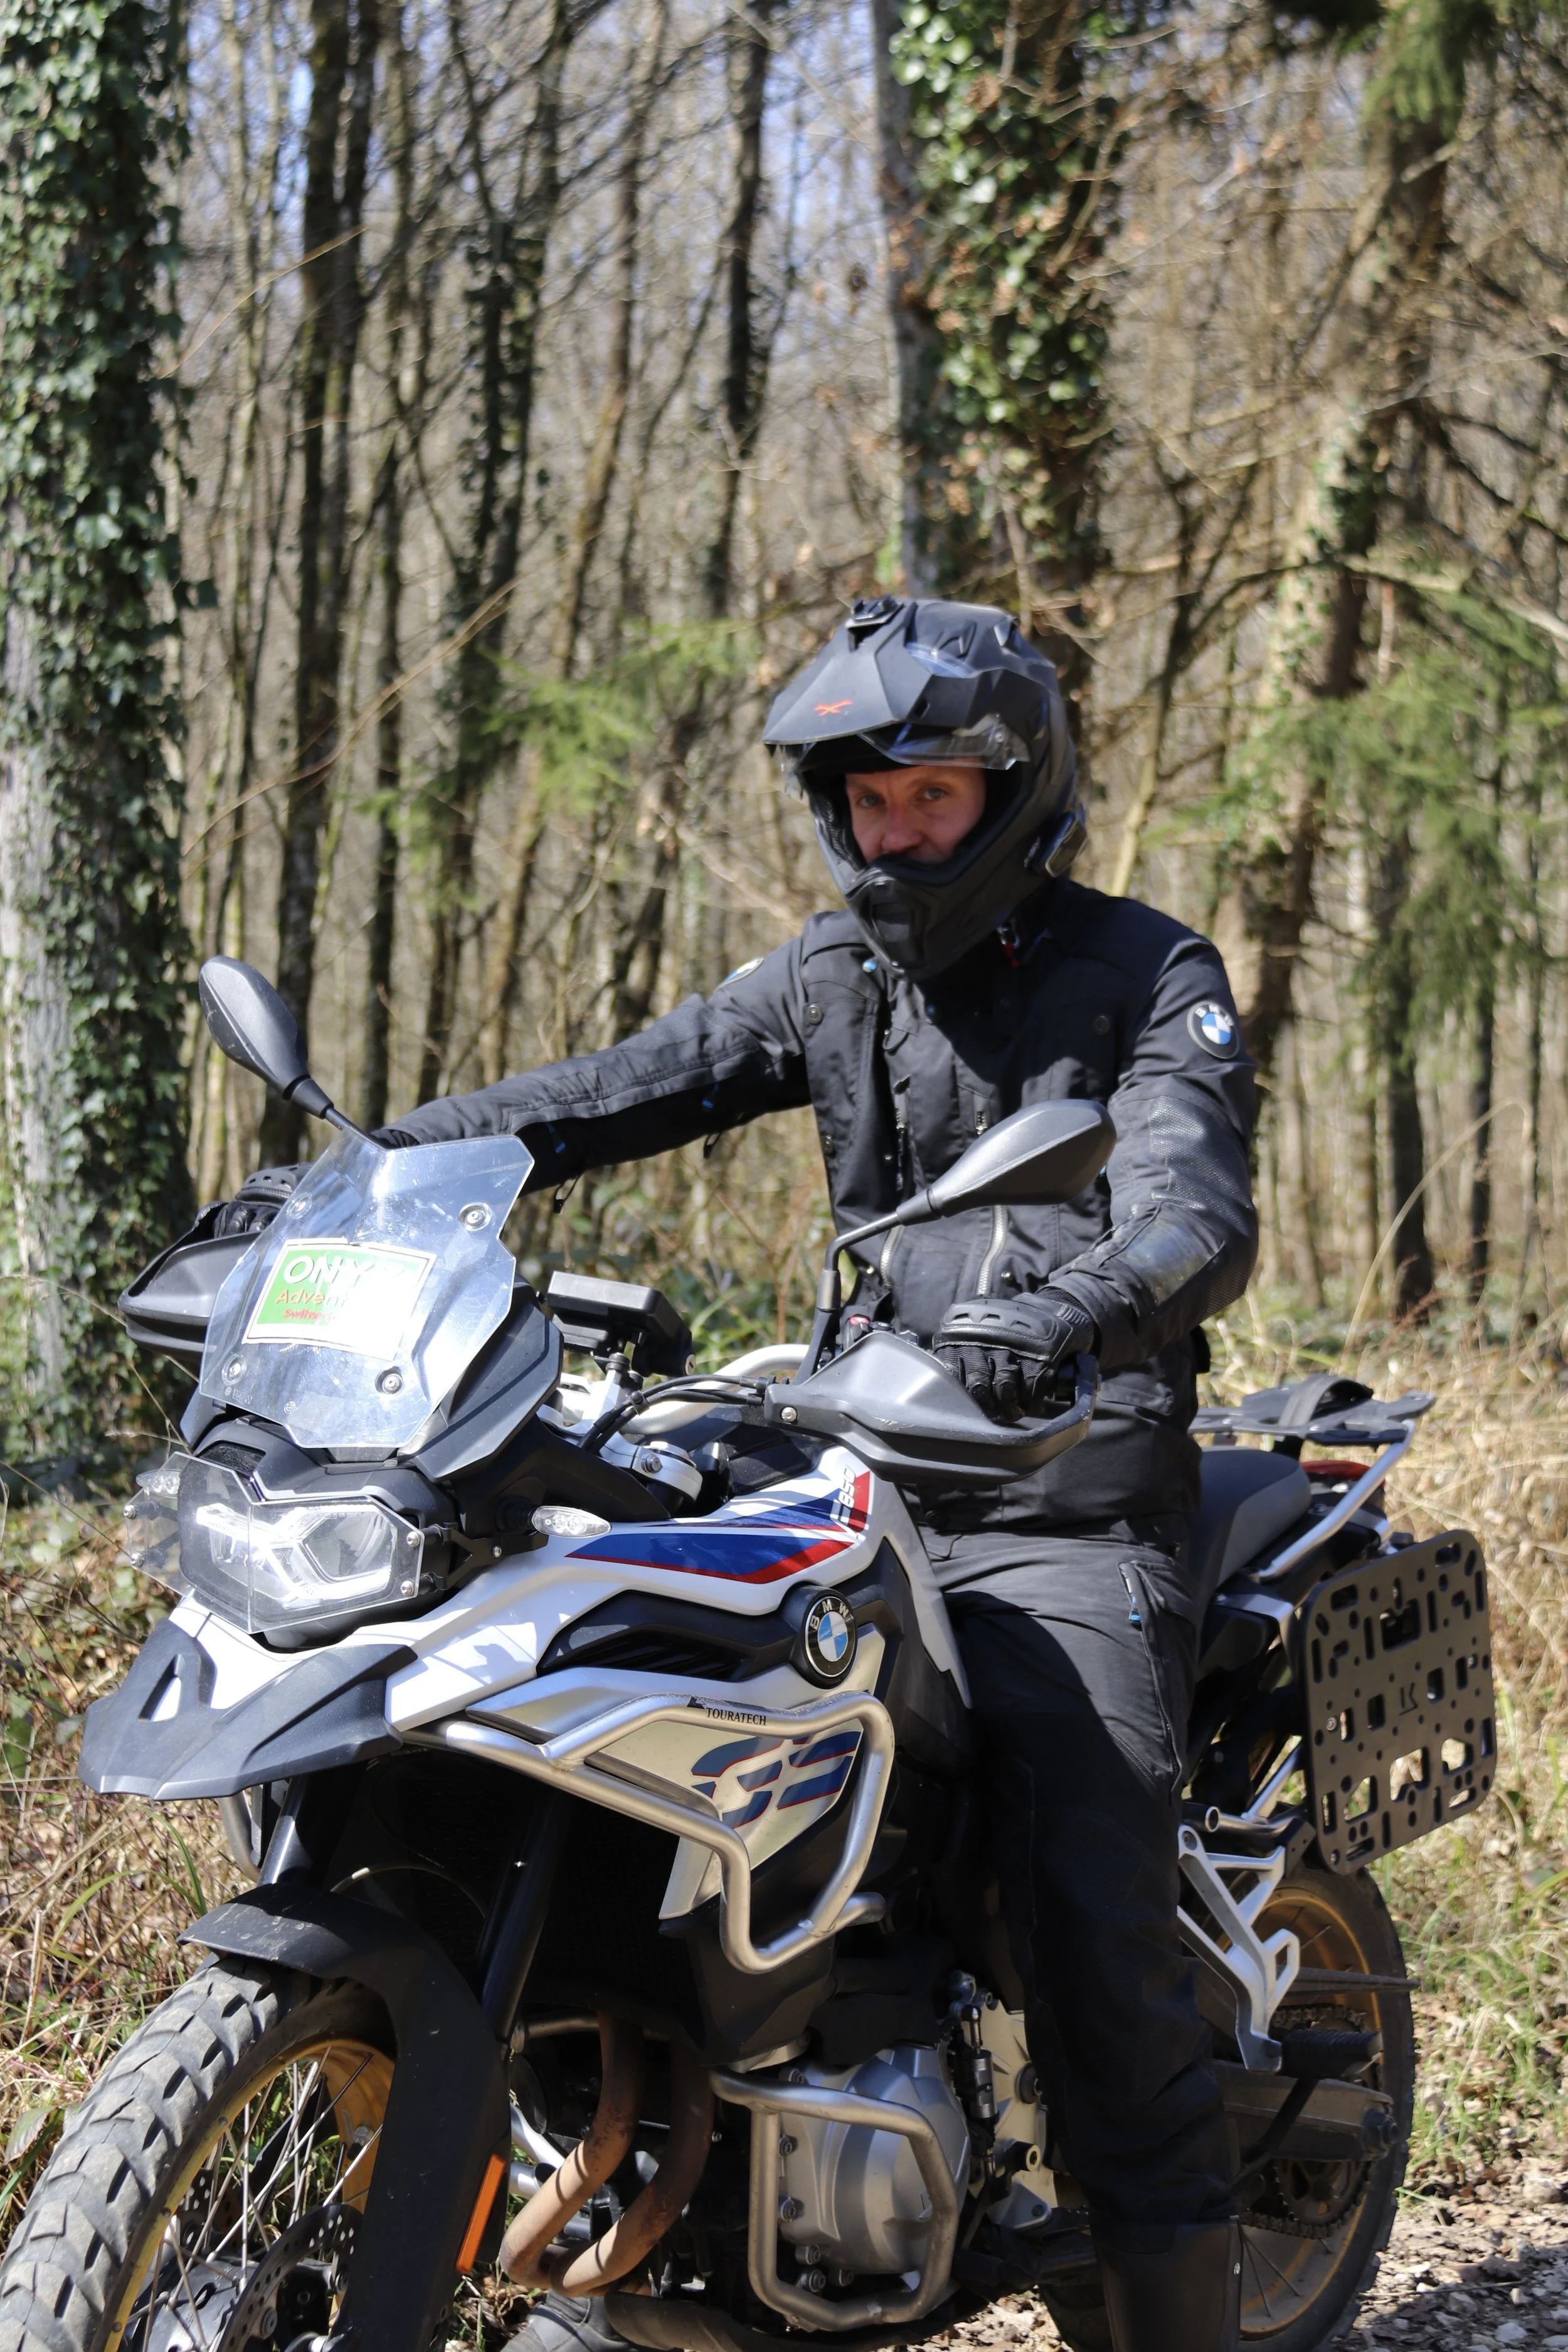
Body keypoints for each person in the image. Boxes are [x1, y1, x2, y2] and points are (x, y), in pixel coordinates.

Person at [231, 596, 1258, 2352]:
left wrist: (1078, 1307)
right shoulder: (830, 975)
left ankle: (1167, 2293)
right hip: (854, 1459)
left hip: (1060, 1498)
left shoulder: (1148, 971)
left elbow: (1193, 1208)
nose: (898, 832)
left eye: (933, 795)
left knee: (1091, 1921)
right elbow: (617, 1090)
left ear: (1014, 787)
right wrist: (366, 1176)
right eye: (870, 801)